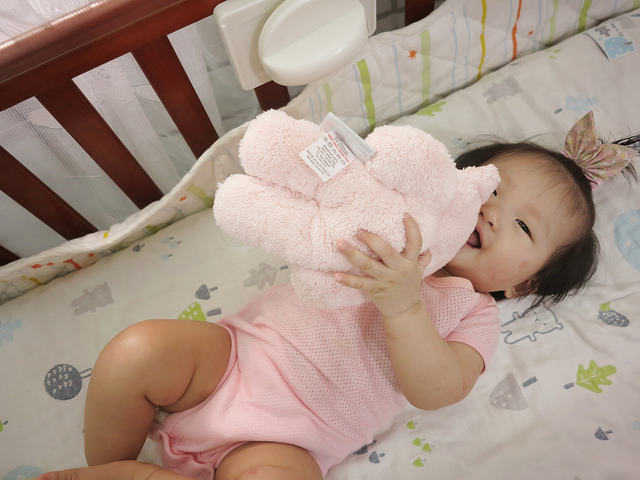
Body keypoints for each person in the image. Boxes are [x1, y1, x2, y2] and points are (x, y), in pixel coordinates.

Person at [36, 112, 636, 480]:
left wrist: (405, 306)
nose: (492, 214)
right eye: (490, 192)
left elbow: (437, 390)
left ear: (522, 285)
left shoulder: (473, 313)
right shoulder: (389, 228)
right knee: (138, 349)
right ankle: (109, 469)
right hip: (231, 360)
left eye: (524, 226)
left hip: (291, 440)